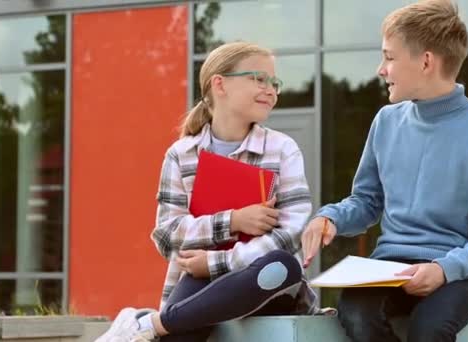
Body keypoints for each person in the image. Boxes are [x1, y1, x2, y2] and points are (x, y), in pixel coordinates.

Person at [301, 1, 468, 341]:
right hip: (388, 266)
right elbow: (367, 202)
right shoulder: (386, 122)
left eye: (389, 57)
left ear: (426, 61)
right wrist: (331, 218)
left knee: (428, 331)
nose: (380, 69)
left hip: (455, 273)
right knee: (356, 317)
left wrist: (443, 270)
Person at [96, 41, 317, 342]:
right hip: (200, 280)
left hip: (263, 282)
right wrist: (233, 221)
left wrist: (216, 263)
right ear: (219, 84)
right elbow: (167, 234)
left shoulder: (282, 149)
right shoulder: (181, 154)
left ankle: (146, 324)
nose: (271, 90)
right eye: (259, 79)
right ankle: (161, 323)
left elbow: (292, 232)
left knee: (285, 265)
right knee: (181, 335)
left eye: (274, 83)